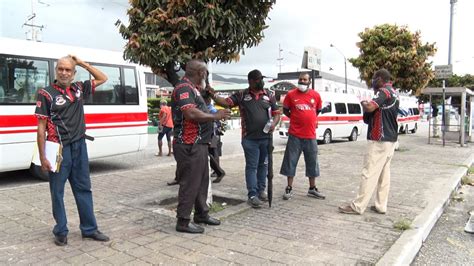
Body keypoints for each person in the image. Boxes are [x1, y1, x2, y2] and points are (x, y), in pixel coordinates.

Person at [34, 55, 110, 246]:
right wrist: (43, 156)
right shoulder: (46, 93)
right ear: (56, 71)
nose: (64, 72)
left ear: (74, 73)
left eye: (68, 69)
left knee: (84, 189)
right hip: (58, 149)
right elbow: (41, 128)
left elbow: (103, 78)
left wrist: (83, 63)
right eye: (61, 69)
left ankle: (89, 229)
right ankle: (61, 230)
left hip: (79, 147)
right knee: (57, 191)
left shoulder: (79, 88)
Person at [171, 59, 231, 234]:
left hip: (199, 144)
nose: (206, 75)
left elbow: (201, 109)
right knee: (190, 183)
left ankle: (201, 214)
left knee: (202, 181)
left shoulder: (194, 89)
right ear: (201, 73)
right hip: (189, 144)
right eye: (205, 72)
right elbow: (190, 113)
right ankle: (182, 221)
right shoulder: (183, 88)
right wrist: (215, 117)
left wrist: (215, 110)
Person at [209, 69, 281, 208]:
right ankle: (252, 195)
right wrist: (213, 95)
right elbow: (226, 102)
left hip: (266, 139)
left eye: (261, 79)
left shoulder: (269, 95)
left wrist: (274, 123)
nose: (261, 81)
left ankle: (261, 191)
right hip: (250, 139)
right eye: (258, 79)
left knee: (264, 165)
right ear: (251, 81)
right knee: (252, 166)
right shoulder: (242, 95)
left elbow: (277, 114)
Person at [339, 68, 399, 215]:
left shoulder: (383, 91)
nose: (372, 82)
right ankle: (381, 205)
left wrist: (364, 104)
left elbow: (371, 106)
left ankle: (358, 206)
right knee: (384, 174)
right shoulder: (394, 93)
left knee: (369, 172)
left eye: (374, 78)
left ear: (380, 79)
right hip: (390, 139)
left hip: (379, 139)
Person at [279, 73, 326, 200]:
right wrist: (295, 117)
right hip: (295, 135)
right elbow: (285, 110)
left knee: (312, 162)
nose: (302, 81)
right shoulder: (291, 95)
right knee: (290, 161)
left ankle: (312, 188)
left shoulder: (315, 95)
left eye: (305, 79)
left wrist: (308, 118)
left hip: (310, 136)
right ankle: (289, 188)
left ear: (309, 81)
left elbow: (318, 110)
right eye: (300, 79)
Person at [204, 96, 226, 183]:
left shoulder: (211, 109)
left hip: (213, 135)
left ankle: (217, 171)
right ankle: (216, 170)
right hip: (212, 134)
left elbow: (219, 120)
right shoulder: (208, 108)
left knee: (214, 152)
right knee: (212, 152)